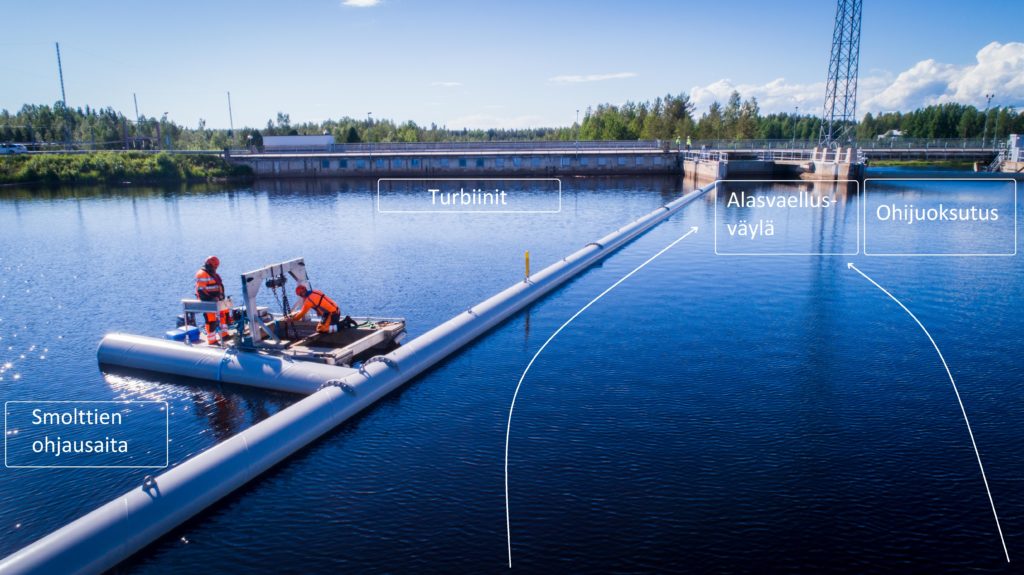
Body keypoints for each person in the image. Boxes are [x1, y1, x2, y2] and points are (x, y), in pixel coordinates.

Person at [290, 285, 356, 334]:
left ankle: (345, 322)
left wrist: (292, 319)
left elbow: (301, 314)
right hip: (333, 310)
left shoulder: (308, 301)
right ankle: (338, 324)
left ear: (301, 294)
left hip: (332, 314)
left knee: (322, 330)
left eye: (300, 295)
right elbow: (320, 302)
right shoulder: (314, 291)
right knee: (319, 328)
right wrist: (318, 311)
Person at [195, 255, 231, 344]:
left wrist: (221, 296)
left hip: (218, 300)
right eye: (215, 265)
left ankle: (224, 335)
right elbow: (201, 291)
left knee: (224, 315)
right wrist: (211, 299)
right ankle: (212, 340)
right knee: (211, 320)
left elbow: (219, 286)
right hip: (207, 301)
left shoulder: (214, 274)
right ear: (210, 264)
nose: (216, 267)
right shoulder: (202, 273)